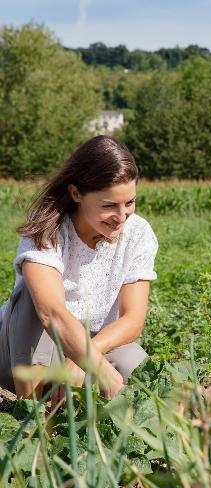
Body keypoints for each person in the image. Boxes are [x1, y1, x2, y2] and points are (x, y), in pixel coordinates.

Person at [0, 135, 158, 401]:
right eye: (108, 205)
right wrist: (98, 368)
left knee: (138, 371)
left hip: (96, 343)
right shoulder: (47, 230)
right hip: (24, 349)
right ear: (76, 194)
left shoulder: (138, 234)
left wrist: (86, 357)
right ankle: (34, 416)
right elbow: (50, 314)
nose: (121, 217)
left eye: (129, 202)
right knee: (30, 297)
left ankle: (77, 407)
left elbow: (132, 320)